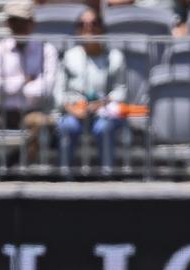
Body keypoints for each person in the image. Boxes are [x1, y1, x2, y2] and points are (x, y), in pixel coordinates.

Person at [0, 0, 57, 169]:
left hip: (31, 112)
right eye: (14, 21)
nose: (19, 25)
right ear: (7, 23)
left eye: (24, 21)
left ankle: (14, 163)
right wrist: (24, 82)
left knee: (46, 124)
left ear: (33, 23)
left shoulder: (46, 50)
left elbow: (45, 88)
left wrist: (7, 86)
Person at [54, 8, 126, 177]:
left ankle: (106, 176)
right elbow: (59, 92)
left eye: (94, 23)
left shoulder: (115, 57)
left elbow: (121, 91)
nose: (89, 28)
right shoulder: (69, 56)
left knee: (103, 128)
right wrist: (72, 109)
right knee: (67, 126)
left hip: (104, 112)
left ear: (102, 28)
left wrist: (101, 104)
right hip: (75, 112)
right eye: (83, 24)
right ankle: (64, 177)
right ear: (77, 30)